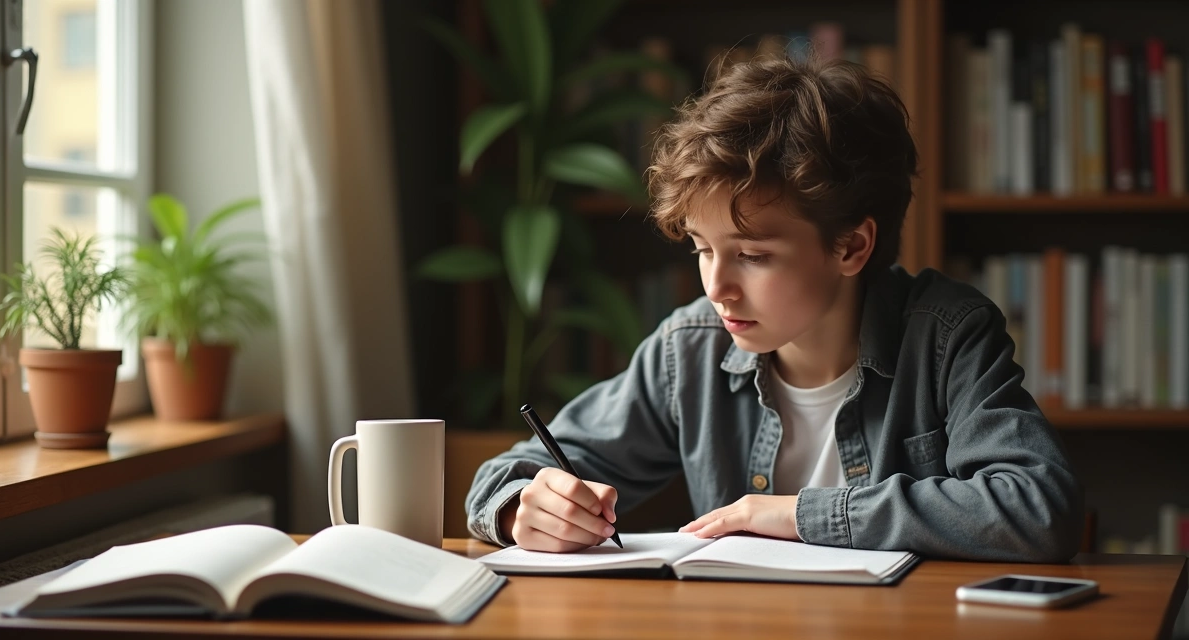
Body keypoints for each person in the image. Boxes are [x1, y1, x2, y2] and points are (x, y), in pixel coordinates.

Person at [464, 53, 1084, 562]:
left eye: (753, 256)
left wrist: (795, 514)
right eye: (703, 249)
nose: (717, 287)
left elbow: (1037, 508)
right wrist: (528, 506)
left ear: (851, 245)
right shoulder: (691, 350)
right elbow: (509, 473)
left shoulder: (947, 338)